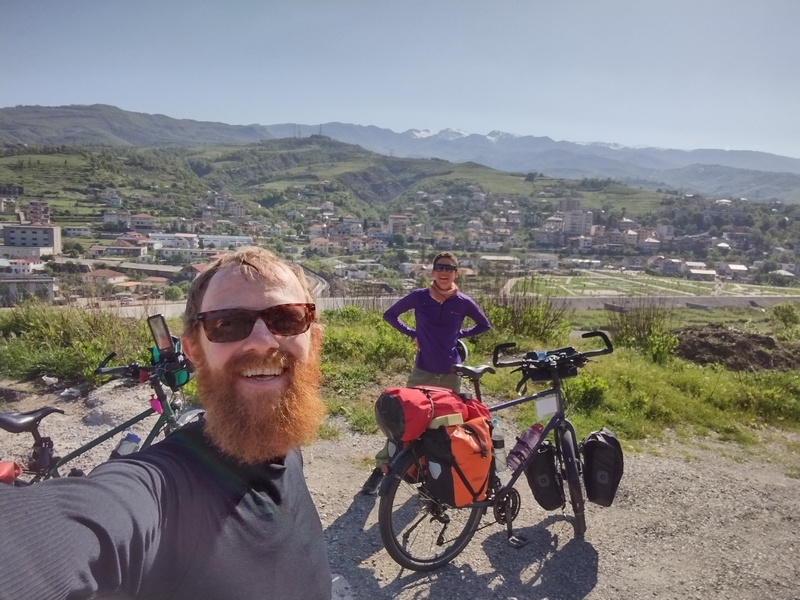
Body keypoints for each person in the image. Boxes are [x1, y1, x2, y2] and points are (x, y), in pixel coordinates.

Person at [0, 247, 332, 600]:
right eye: (228, 323)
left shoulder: (285, 444)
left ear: (313, 341)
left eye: (286, 318)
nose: (263, 342)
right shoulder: (161, 490)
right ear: (194, 352)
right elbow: (62, 530)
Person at [361, 251, 491, 495]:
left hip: (451, 373)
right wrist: (414, 334)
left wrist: (459, 335)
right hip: (422, 371)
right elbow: (390, 315)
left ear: (456, 273)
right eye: (440, 267)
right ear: (433, 271)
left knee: (445, 429)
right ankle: (381, 469)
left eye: (449, 268)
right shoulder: (420, 297)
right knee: (403, 424)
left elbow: (484, 324)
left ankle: (435, 478)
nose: (444, 272)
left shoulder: (462, 302)